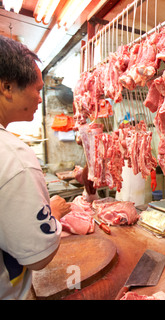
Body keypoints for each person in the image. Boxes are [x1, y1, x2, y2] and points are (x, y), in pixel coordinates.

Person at [0, 35, 71, 299]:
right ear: (7, 87)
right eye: (37, 90)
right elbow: (39, 258)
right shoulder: (11, 155)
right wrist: (53, 212)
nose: (40, 99)